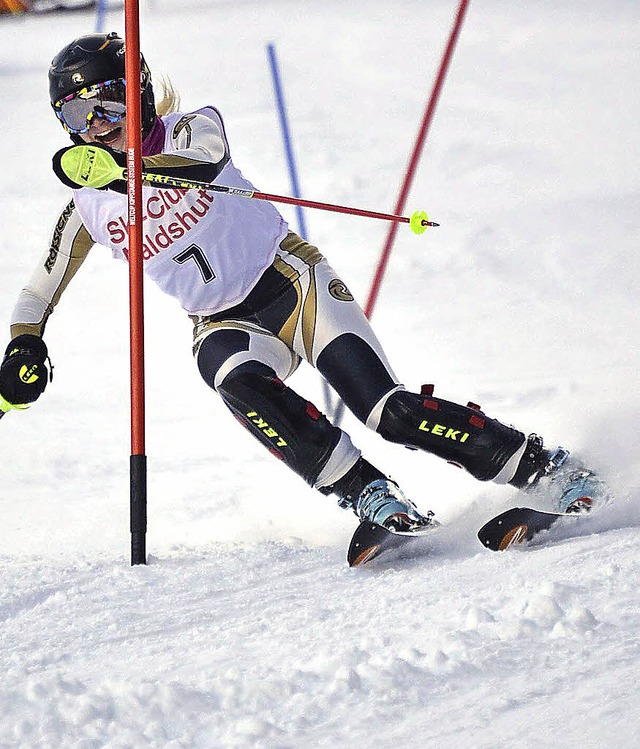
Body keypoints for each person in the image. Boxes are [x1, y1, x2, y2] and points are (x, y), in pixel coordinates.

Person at [0, 32, 603, 536]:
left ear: (140, 94)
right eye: (77, 117)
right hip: (222, 320)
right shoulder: (88, 205)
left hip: (292, 283)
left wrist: (130, 172)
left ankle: (542, 466)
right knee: (232, 377)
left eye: (107, 107)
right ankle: (368, 494)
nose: (97, 127)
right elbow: (37, 289)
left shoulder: (190, 128)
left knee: (383, 409)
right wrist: (25, 343)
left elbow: (203, 161)